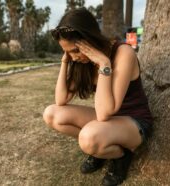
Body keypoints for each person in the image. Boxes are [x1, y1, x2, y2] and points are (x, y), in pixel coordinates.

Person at [43, 8, 153, 186]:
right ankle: (101, 150)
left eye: (75, 51)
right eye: (67, 52)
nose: (74, 57)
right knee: (52, 114)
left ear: (89, 39)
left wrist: (104, 63)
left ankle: (121, 156)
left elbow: (104, 113)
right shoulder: (81, 61)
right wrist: (65, 61)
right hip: (109, 120)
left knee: (88, 138)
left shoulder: (123, 53)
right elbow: (60, 100)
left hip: (134, 121)